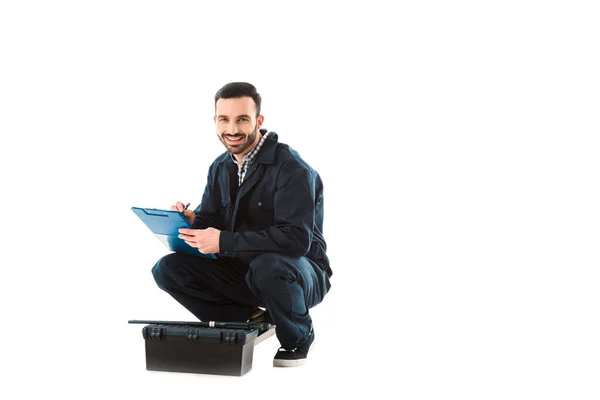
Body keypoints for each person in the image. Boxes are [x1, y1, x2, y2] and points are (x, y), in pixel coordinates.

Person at [151, 82, 332, 367]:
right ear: (215, 121)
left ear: (259, 121)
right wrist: (194, 221)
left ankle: (298, 335)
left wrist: (224, 241)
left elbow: (297, 240)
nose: (232, 129)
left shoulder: (291, 168)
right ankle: (250, 318)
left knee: (269, 266)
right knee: (168, 269)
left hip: (299, 274)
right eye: (224, 119)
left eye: (242, 119)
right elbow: (213, 221)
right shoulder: (220, 167)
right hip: (244, 271)